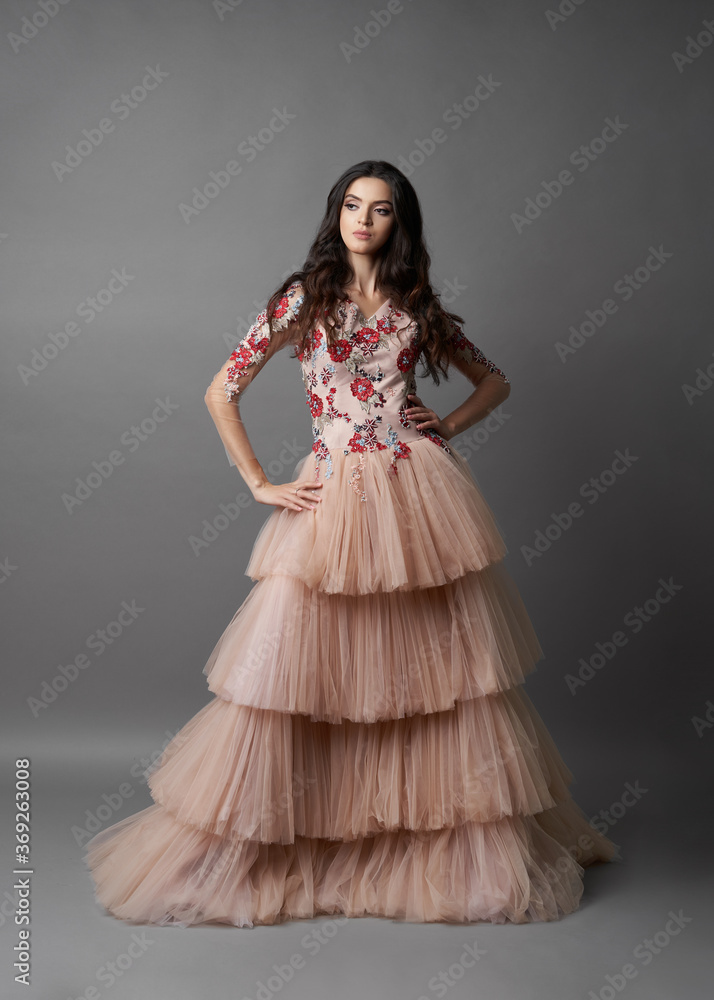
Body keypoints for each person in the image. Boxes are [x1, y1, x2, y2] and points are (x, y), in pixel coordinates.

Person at [85, 159, 618, 927]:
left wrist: (449, 426)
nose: (364, 220)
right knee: (300, 681)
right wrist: (259, 481)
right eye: (353, 206)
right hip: (332, 497)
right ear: (335, 214)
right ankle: (303, 834)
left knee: (438, 679)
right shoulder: (305, 299)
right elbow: (220, 389)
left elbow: (494, 380)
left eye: (382, 209)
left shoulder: (413, 301)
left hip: (416, 495)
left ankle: (428, 844)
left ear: (401, 223)